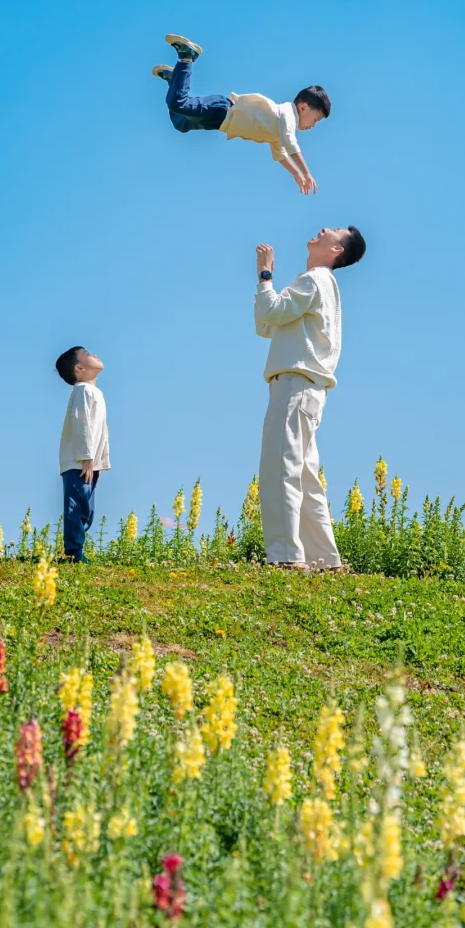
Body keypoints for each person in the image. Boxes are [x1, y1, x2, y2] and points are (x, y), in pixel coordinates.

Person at [254, 225, 366, 570]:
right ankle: (324, 560)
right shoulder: (321, 284)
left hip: (294, 385)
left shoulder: (314, 279)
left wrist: (265, 275)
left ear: (336, 250)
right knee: (303, 474)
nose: (324, 229)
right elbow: (269, 323)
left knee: (280, 468)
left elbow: (268, 316)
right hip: (308, 389)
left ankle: (286, 557)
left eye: (333, 232)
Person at [152, 33, 326, 195]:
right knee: (178, 104)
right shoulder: (287, 114)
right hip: (224, 109)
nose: (313, 125)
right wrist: (307, 173)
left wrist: (296, 174)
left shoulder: (280, 130)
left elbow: (280, 153)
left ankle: (175, 80)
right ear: (303, 107)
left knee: (180, 123)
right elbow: (290, 143)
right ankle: (187, 56)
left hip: (220, 123)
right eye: (315, 119)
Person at [54, 347, 110, 562]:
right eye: (88, 354)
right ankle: (73, 553)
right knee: (77, 506)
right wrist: (87, 458)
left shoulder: (95, 393)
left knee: (87, 507)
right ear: (79, 368)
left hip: (89, 462)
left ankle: (77, 551)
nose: (95, 354)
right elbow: (82, 425)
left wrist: (100, 462)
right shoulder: (83, 391)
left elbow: (100, 431)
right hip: (79, 461)